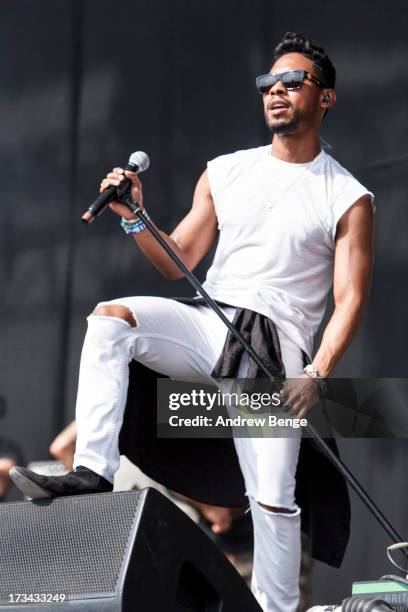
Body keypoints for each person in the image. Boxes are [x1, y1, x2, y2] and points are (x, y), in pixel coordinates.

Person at [10, 32, 375, 612]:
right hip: (212, 322)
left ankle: (275, 609)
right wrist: (136, 219)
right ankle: (93, 472)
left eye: (292, 81)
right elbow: (178, 259)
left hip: (275, 351)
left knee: (273, 498)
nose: (276, 91)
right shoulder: (225, 171)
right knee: (112, 320)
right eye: (267, 83)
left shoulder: (348, 196)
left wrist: (318, 372)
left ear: (325, 97)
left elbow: (350, 298)